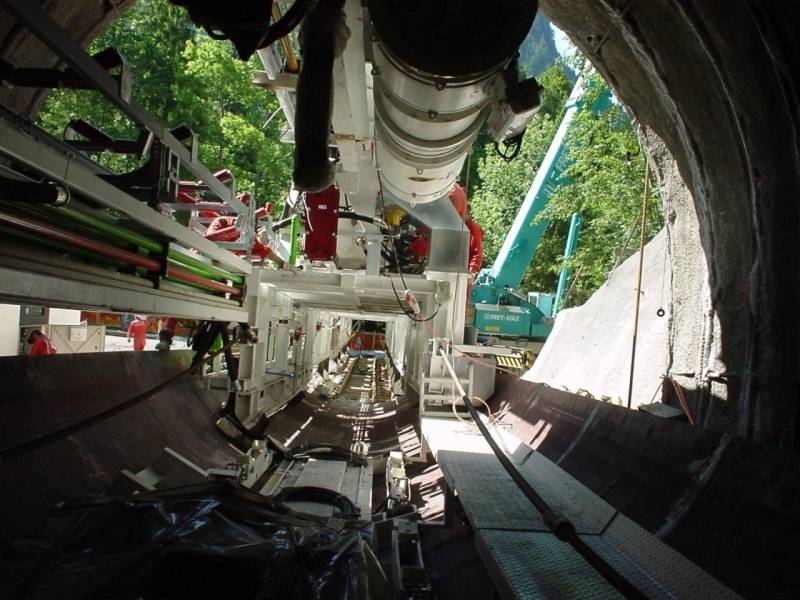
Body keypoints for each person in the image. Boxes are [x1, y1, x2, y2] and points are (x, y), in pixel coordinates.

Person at [448, 182, 484, 293]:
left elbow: (476, 253)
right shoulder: (454, 226)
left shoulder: (473, 229)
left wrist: (472, 272)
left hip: (462, 277)